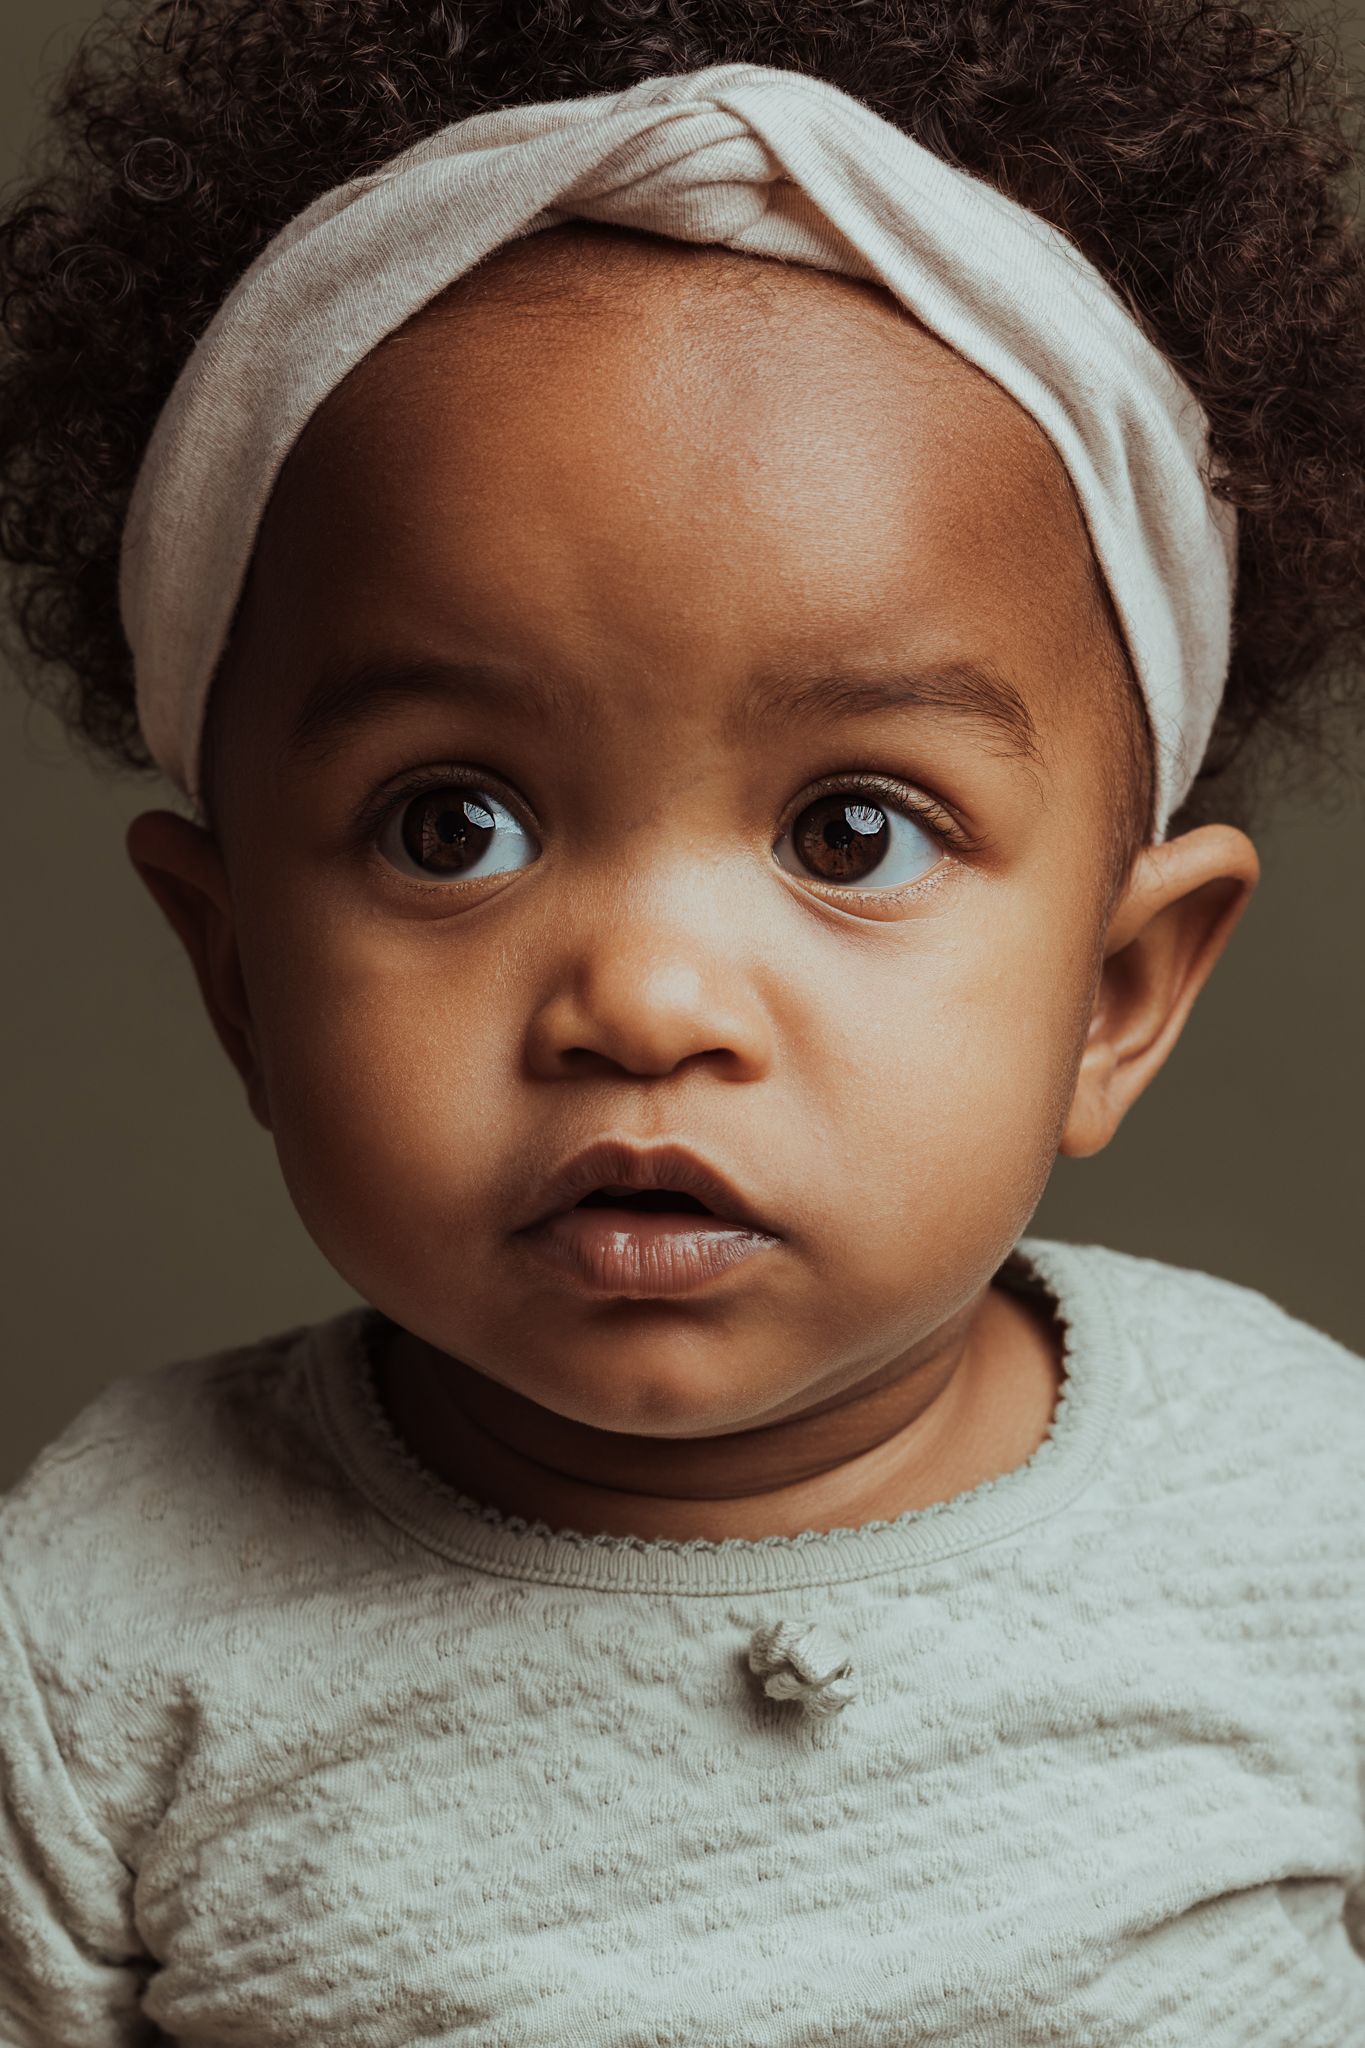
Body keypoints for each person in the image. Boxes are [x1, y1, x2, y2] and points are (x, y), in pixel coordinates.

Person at [1, 3, 1363, 2042]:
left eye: (848, 828)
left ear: (1113, 992)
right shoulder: (98, 1621)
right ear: (235, 977)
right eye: (449, 826)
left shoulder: (1302, 1511)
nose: (641, 996)